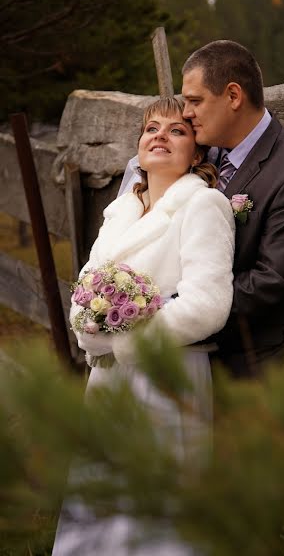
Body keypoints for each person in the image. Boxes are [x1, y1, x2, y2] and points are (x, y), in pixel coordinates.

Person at [51, 97, 235, 555]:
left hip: (166, 374)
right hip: (108, 378)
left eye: (177, 131)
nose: (160, 136)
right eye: (152, 128)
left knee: (157, 510)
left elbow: (207, 303)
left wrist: (131, 342)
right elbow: (85, 291)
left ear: (196, 154)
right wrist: (90, 331)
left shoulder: (204, 204)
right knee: (100, 499)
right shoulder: (120, 214)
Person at [120, 40, 284, 380]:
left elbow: (274, 280)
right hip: (191, 345)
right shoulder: (204, 153)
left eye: (195, 101)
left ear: (233, 96)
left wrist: (174, 309)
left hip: (257, 359)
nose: (185, 113)